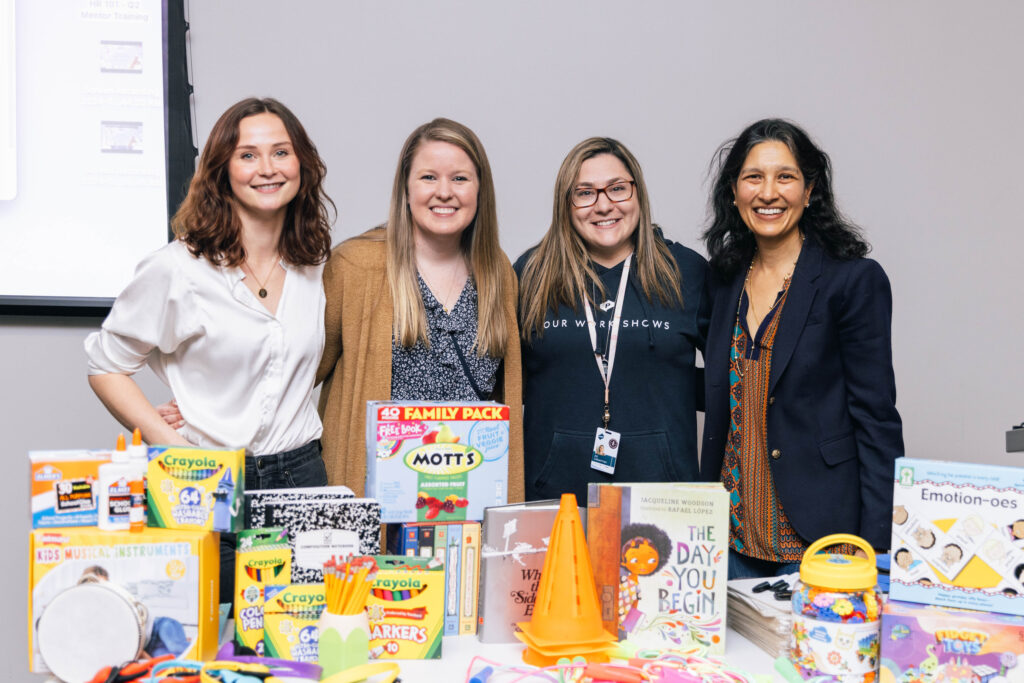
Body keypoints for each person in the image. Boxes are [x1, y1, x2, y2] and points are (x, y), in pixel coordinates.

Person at [86, 97, 335, 598]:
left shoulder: (315, 264)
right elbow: (104, 364)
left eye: (281, 152)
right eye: (247, 155)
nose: (267, 168)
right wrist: (170, 442)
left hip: (302, 474)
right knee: (212, 649)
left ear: (302, 166)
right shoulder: (178, 269)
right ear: (221, 171)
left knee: (302, 649)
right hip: (208, 478)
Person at [700, 118, 903, 579]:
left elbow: (876, 420)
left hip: (821, 546)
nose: (768, 193)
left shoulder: (851, 280)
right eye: (753, 177)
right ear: (734, 192)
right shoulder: (723, 279)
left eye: (785, 177)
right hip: (727, 538)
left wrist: (876, 550)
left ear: (810, 191)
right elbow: (728, 385)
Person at [316, 118, 523, 500]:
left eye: (460, 179)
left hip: (468, 499)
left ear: (481, 190)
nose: (444, 192)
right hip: (377, 502)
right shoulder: (356, 267)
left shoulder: (498, 273)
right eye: (429, 177)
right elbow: (297, 369)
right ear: (406, 188)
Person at [515, 137, 709, 502]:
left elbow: (726, 384)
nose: (604, 205)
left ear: (638, 193)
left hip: (666, 500)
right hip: (553, 499)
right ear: (566, 204)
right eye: (585, 193)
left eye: (617, 189)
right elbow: (503, 385)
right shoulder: (532, 273)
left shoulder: (687, 272)